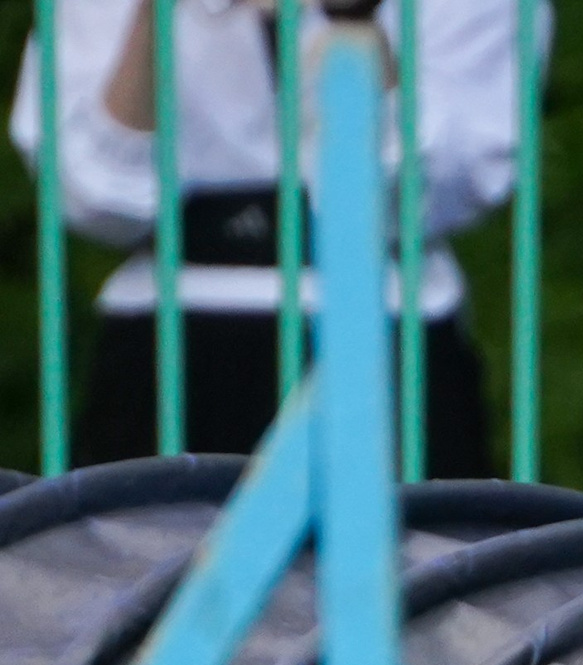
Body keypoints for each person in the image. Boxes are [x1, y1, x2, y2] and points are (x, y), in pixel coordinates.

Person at [8, 0, 542, 473]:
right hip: (168, 337)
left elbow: (441, 189)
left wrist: (353, 19)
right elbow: (90, 197)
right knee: (147, 547)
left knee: (411, 548)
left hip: (389, 321)